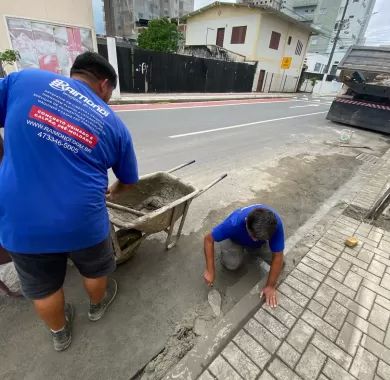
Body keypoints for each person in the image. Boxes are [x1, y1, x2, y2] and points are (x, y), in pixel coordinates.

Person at [0, 52, 139, 351]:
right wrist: (113, 191)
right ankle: (96, 306)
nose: (109, 100)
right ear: (104, 85)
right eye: (110, 94)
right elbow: (129, 180)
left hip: (22, 223)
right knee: (95, 270)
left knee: (43, 287)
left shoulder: (24, 80)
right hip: (83, 222)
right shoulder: (114, 124)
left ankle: (59, 333)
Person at [203, 204, 284, 308]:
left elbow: (278, 256)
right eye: (252, 235)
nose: (254, 239)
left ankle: (254, 247)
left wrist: (270, 286)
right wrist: (210, 270)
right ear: (246, 221)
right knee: (232, 265)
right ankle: (239, 248)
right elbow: (208, 240)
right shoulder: (233, 223)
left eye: (258, 238)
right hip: (234, 239)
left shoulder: (275, 225)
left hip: (259, 243)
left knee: (280, 264)